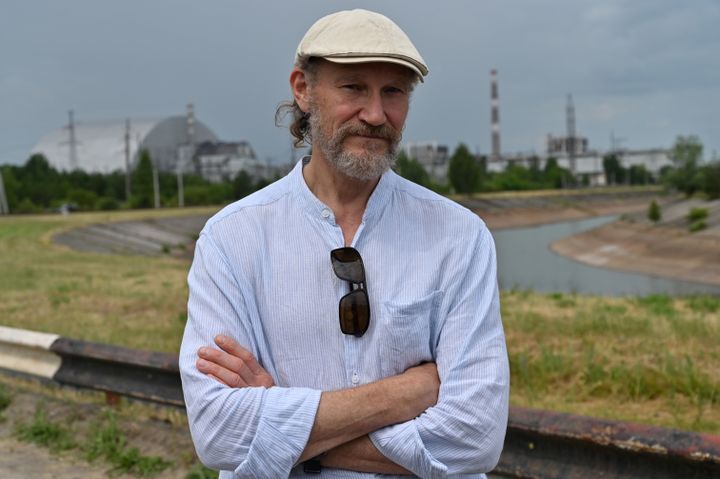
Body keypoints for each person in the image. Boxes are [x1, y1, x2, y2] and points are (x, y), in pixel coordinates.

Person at [179, 9, 509, 478]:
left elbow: (475, 437)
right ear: (303, 89)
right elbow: (217, 433)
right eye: (353, 87)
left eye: (393, 91)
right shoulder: (232, 238)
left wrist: (281, 424)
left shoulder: (458, 235)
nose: (375, 114)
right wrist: (407, 393)